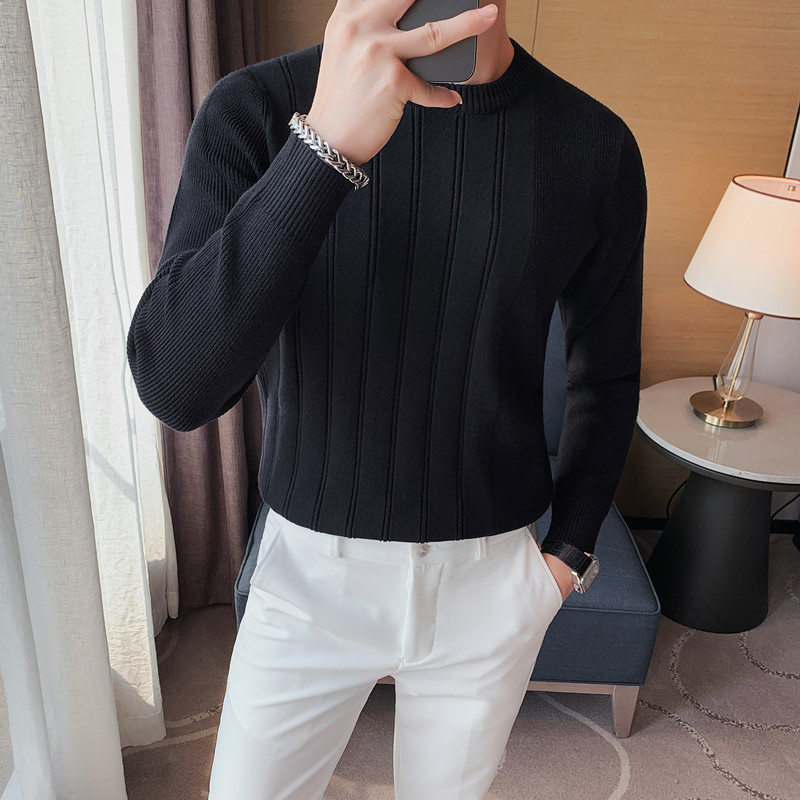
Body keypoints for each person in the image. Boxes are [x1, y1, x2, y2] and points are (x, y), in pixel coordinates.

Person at [127, 0, 647, 797]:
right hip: (307, 580)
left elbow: (605, 375)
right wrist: (322, 148)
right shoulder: (257, 110)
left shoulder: (594, 145)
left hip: (491, 584)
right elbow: (175, 384)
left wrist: (566, 560)